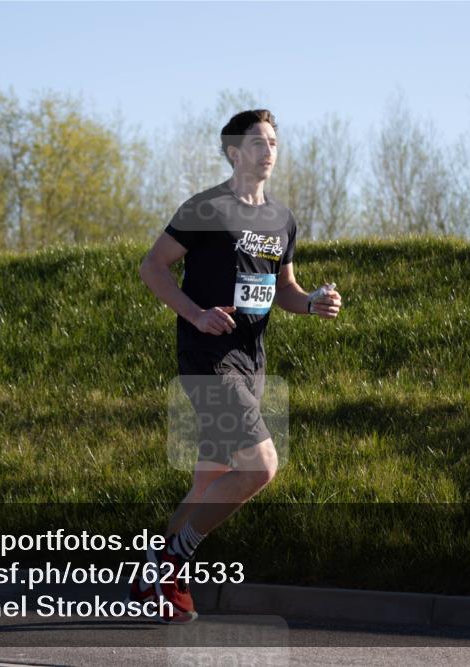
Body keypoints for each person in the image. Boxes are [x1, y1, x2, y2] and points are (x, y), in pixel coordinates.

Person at [133, 109, 341, 623]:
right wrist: (196, 313)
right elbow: (153, 267)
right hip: (209, 360)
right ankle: (173, 559)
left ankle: (149, 577)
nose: (269, 150)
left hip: (251, 363)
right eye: (258, 142)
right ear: (233, 152)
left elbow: (285, 291)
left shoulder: (281, 220)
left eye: (274, 142)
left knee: (211, 478)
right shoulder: (206, 208)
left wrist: (312, 302)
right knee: (261, 465)